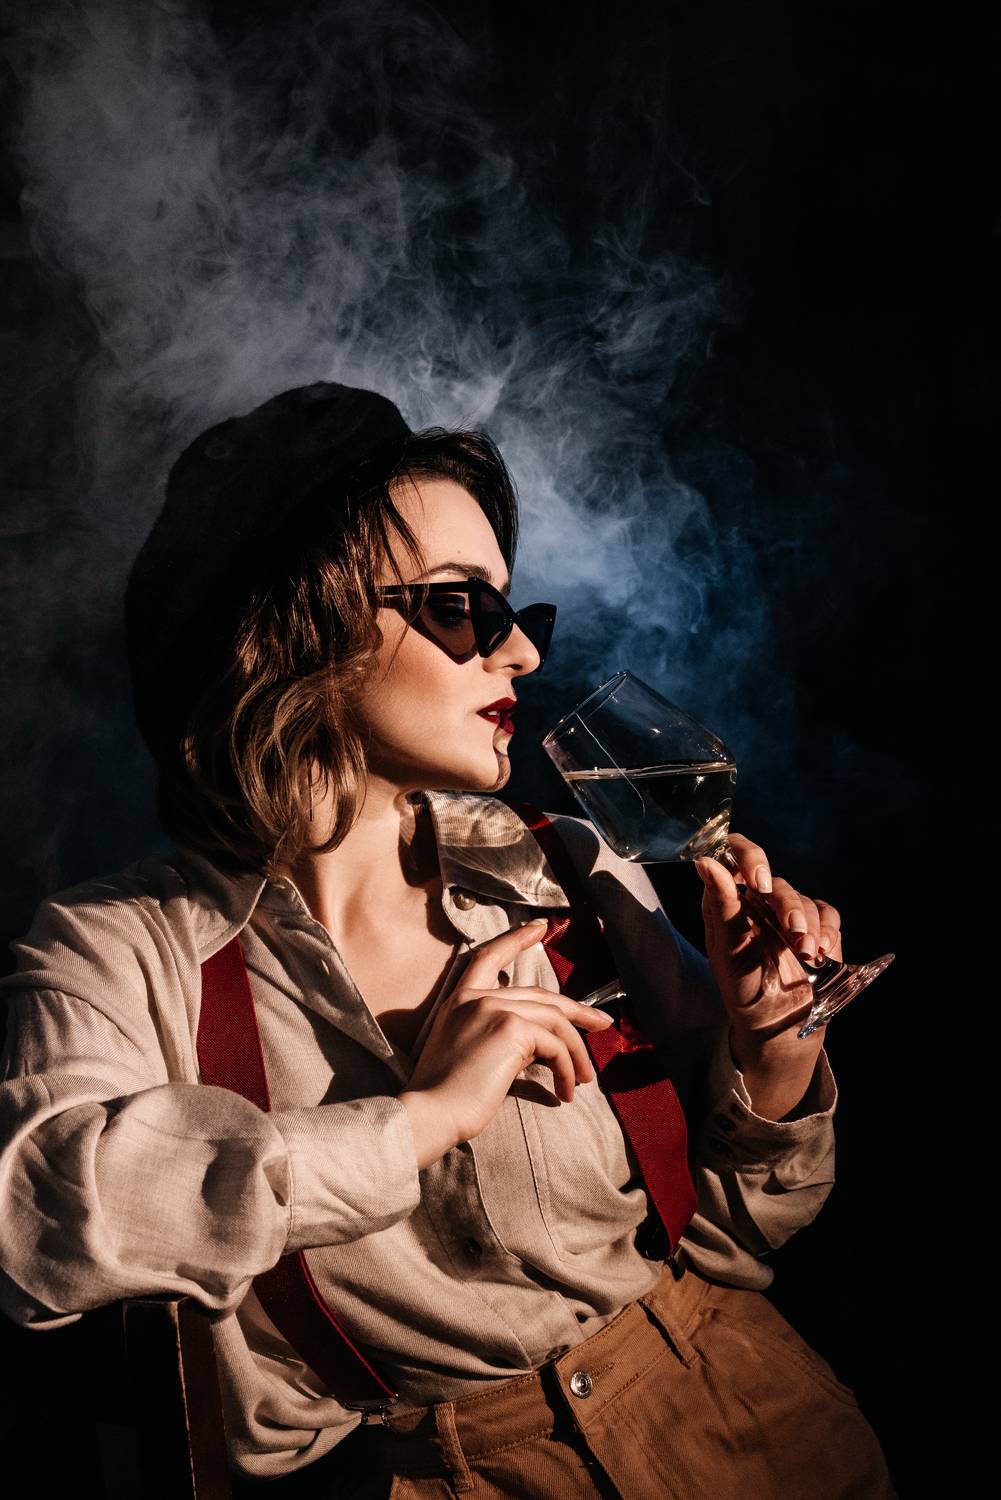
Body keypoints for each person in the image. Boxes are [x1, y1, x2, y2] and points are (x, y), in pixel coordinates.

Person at [0, 383, 894, 1497]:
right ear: (299, 626)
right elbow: (30, 1228)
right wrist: (420, 1120)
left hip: (759, 1428)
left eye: (517, 615)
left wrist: (770, 1049)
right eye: (462, 606)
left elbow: (737, 1232)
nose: (519, 654)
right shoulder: (118, 950)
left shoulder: (565, 864)